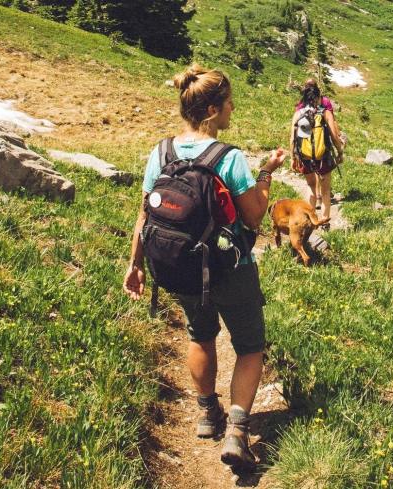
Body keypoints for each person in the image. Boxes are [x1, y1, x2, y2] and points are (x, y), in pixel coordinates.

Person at [123, 64, 287, 470]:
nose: (233, 109)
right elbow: (253, 217)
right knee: (250, 347)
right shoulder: (228, 158)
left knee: (200, 335)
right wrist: (266, 174)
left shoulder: (161, 152)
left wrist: (135, 265)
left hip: (179, 268)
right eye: (229, 103)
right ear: (213, 109)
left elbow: (145, 213)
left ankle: (205, 412)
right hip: (231, 268)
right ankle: (236, 429)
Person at [290, 82, 344, 221]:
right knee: (325, 192)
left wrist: (292, 158)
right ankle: (325, 221)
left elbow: (292, 139)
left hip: (305, 157)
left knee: (311, 186)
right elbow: (334, 136)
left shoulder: (298, 114)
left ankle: (310, 220)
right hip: (323, 157)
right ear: (319, 97)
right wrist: (340, 152)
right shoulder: (325, 113)